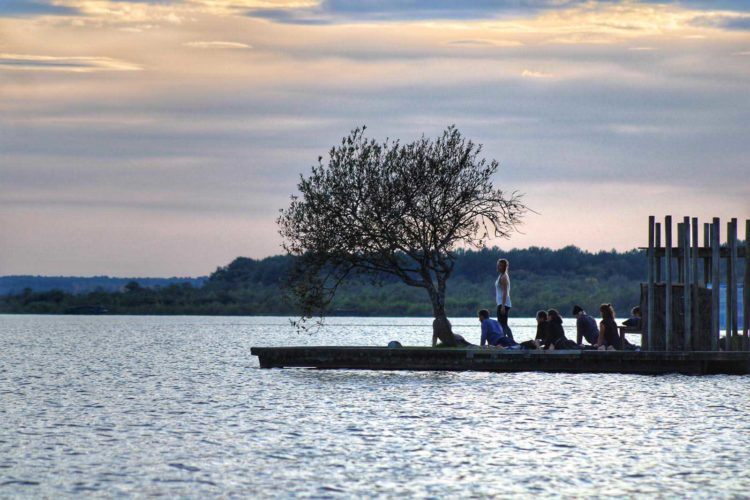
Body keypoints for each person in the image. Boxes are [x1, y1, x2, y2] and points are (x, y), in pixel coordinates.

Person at [495, 258, 514, 342]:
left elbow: (505, 292)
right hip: (501, 303)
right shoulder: (501, 275)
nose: (498, 267)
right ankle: (506, 340)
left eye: (500, 266)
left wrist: (503, 306)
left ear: (504, 267)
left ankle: (510, 341)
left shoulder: (504, 277)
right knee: (502, 324)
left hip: (504, 304)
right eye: (498, 265)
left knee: (503, 324)